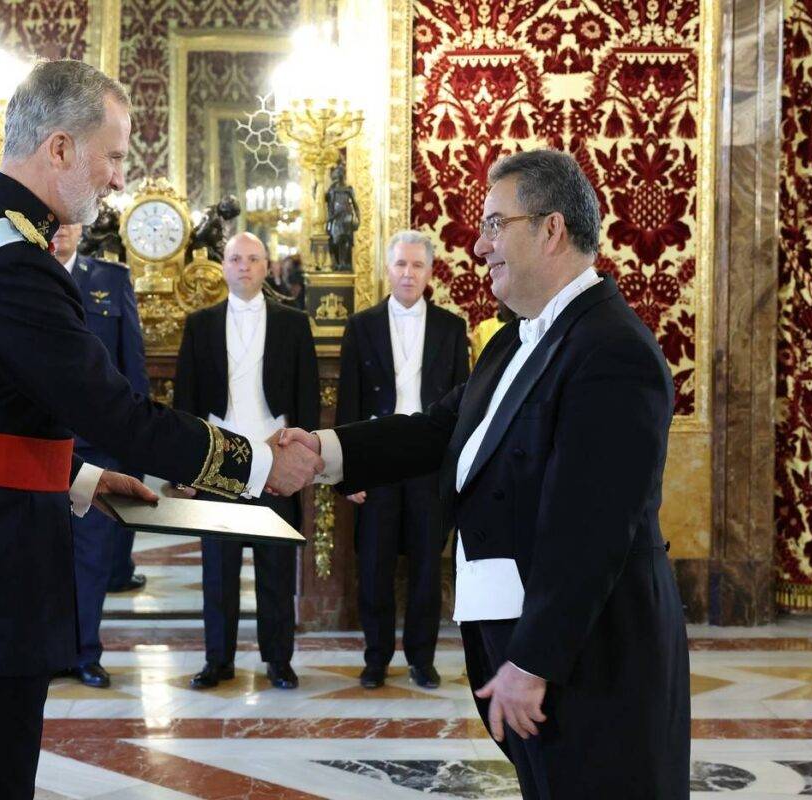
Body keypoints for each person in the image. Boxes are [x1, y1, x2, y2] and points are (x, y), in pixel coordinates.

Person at [0, 60, 322, 800]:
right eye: (116, 155)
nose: (120, 179)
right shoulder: (11, 266)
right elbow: (114, 412)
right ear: (60, 148)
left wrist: (82, 477)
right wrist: (256, 465)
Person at [279, 149, 690, 799]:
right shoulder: (513, 338)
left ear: (550, 229)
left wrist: (534, 661)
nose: (479, 245)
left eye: (496, 224)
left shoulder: (612, 350)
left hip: (589, 661)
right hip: (527, 651)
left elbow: (594, 528)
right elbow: (439, 430)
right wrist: (323, 451)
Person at [172, 232, 320, 691]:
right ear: (223, 265)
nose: (244, 267)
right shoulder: (200, 324)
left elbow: (307, 398)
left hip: (274, 459)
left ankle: (279, 661)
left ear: (267, 265)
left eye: (253, 259)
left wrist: (303, 459)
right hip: (218, 461)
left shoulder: (294, 324)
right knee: (219, 570)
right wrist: (187, 468)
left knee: (276, 568)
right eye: (235, 259)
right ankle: (218, 661)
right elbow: (186, 401)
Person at [335, 230, 469, 690]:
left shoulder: (452, 328)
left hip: (429, 464)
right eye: (401, 265)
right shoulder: (362, 326)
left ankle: (422, 658)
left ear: (430, 273)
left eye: (417, 266)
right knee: (374, 566)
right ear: (387, 270)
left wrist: (454, 475)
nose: (408, 273)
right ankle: (376, 658)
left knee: (427, 569)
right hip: (377, 459)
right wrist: (346, 470)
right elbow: (348, 406)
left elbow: (463, 409)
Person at [50, 222, 148, 691]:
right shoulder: (22, 274)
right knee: (40, 557)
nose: (63, 229)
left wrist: (134, 444)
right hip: (37, 447)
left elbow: (133, 368)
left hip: (95, 451)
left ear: (83, 227)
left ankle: (85, 653)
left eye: (71, 220)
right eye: (55, 218)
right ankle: (46, 651)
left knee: (90, 559)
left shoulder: (111, 279)